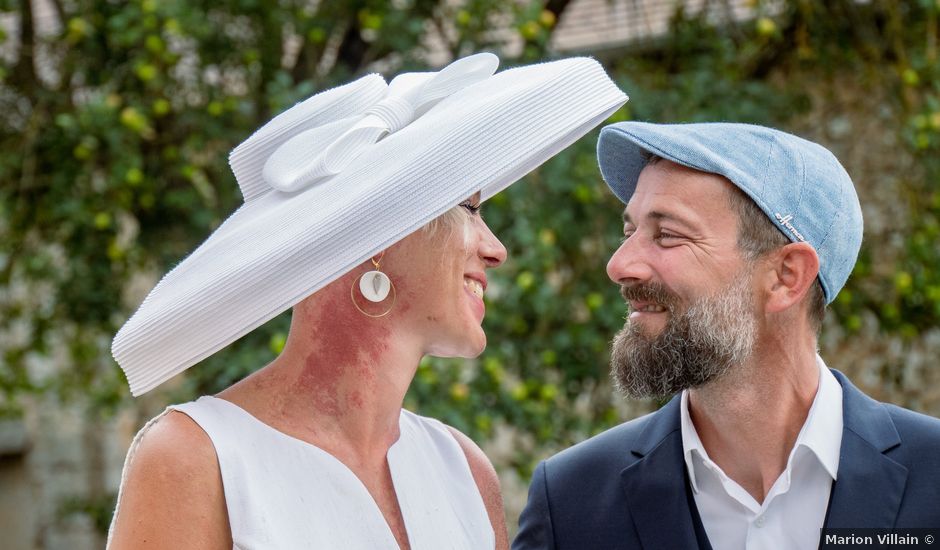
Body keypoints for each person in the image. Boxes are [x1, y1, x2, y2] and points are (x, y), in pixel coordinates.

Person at [106, 53, 627, 549]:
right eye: (469, 208)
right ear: (378, 239)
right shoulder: (194, 459)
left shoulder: (464, 470)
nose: (496, 249)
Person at [514, 122, 940, 549]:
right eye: (630, 232)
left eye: (667, 235)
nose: (619, 265)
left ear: (785, 276)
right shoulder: (572, 502)